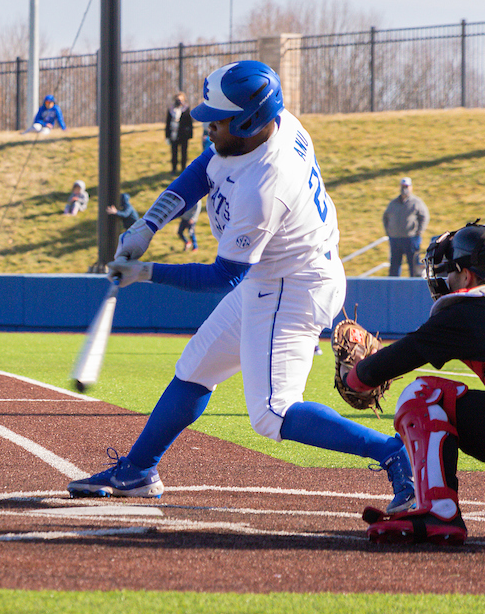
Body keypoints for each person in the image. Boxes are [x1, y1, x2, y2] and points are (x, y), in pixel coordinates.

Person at [67, 60, 415, 516]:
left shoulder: (264, 186)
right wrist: (148, 225)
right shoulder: (272, 124)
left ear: (249, 120)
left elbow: (223, 275)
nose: (208, 126)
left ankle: (396, 454)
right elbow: (202, 170)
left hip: (291, 286)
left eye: (218, 119)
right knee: (195, 368)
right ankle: (137, 470)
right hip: (280, 273)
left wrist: (146, 272)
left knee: (273, 413)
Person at [342, 223, 485, 544]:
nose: (443, 281)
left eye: (449, 272)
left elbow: (389, 364)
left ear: (466, 275)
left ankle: (438, 512)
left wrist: (354, 376)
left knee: (425, 395)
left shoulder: (474, 306)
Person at [383, 177, 430, 276]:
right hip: (395, 239)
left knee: (413, 264)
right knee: (394, 264)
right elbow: (386, 217)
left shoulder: (416, 202)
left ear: (411, 187)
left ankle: (414, 285)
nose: (404, 188)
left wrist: (419, 232)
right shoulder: (393, 203)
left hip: (411, 238)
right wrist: (389, 232)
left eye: (407, 186)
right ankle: (393, 284)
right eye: (403, 186)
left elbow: (424, 216)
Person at [165, 92, 194, 175]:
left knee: (184, 152)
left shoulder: (186, 109)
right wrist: (167, 136)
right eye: (178, 100)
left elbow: (190, 123)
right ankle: (174, 169)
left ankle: (183, 169)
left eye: (181, 100)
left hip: (183, 135)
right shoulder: (171, 110)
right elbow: (167, 123)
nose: (179, 102)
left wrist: (190, 134)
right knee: (174, 152)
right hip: (174, 134)